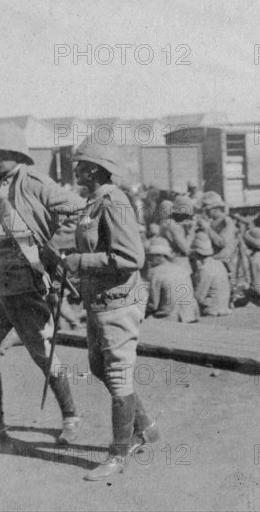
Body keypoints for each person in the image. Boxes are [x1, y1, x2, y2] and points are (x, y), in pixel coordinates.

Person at [0, 121, 86, 449]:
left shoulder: (33, 182)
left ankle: (71, 417)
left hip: (22, 282)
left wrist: (52, 250)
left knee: (42, 351)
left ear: (15, 154)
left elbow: (81, 211)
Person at [64, 141, 160, 481]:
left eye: (79, 165)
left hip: (119, 302)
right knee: (98, 366)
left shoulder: (114, 202)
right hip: (99, 300)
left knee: (117, 373)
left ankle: (118, 454)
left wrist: (80, 261)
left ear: (93, 169)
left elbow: (133, 258)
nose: (74, 170)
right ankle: (145, 426)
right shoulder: (94, 201)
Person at [145, 237, 199, 323]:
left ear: (160, 255)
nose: (148, 259)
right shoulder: (182, 270)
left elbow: (153, 305)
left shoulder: (154, 273)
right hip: (189, 316)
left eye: (150, 256)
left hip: (168, 318)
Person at [190, 233, 231, 317]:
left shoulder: (204, 270)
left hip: (211, 310)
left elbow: (198, 297)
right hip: (223, 306)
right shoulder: (219, 263)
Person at [198, 191, 237, 273]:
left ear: (215, 209)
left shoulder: (226, 221)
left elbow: (222, 243)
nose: (206, 212)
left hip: (223, 262)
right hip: (214, 260)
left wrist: (207, 229)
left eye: (208, 210)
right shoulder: (212, 221)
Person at [159, 195, 197, 275]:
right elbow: (186, 250)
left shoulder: (167, 221)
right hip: (177, 263)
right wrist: (191, 232)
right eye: (187, 215)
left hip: (169, 261)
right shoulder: (173, 226)